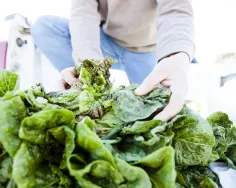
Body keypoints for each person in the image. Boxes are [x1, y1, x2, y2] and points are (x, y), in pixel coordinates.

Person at [31, 0, 195, 121]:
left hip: (146, 49)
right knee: (45, 27)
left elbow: (175, 11)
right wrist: (90, 68)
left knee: (155, 113)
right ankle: (82, 86)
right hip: (107, 41)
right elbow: (83, 13)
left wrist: (175, 56)